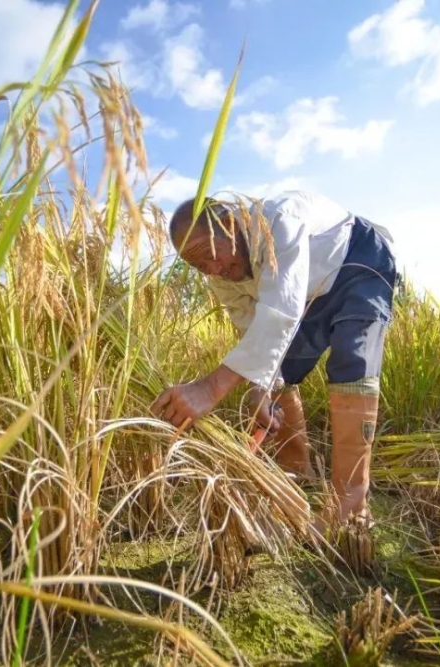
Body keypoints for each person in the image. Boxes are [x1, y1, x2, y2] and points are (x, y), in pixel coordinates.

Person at [149, 190, 398, 529]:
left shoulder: (281, 219)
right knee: (284, 377)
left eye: (209, 254)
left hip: (359, 263)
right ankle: (298, 471)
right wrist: (262, 390)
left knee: (351, 361)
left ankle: (351, 508)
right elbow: (256, 334)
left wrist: (209, 389)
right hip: (309, 297)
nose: (213, 269)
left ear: (228, 224)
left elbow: (280, 310)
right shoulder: (221, 275)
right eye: (198, 265)